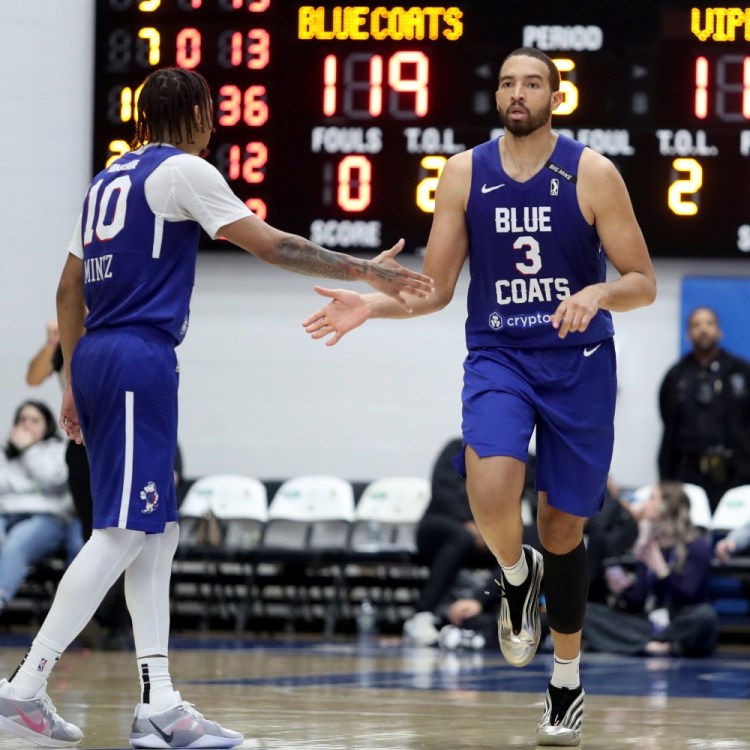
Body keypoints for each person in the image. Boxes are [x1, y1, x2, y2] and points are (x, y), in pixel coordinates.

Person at [0, 66, 433, 750]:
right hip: (140, 355)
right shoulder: (183, 173)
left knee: (158, 529)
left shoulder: (107, 179)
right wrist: (364, 270)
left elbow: (65, 292)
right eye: (211, 115)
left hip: (100, 356)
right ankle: (24, 687)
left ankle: (158, 704)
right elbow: (272, 244)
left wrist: (72, 381)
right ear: (200, 115)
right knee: (119, 531)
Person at [303, 46, 656, 746]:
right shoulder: (464, 172)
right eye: (507, 83)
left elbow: (641, 280)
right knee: (490, 489)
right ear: (497, 96)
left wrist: (597, 290)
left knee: (562, 527)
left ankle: (566, 679)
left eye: (532, 83)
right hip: (499, 354)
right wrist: (371, 304)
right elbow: (434, 290)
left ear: (556, 96)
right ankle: (514, 573)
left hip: (579, 361)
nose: (517, 92)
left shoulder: (592, 172)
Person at [583, 482, 718, 657]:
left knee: (705, 617)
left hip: (680, 618)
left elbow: (688, 595)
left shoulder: (697, 545)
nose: (645, 503)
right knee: (587, 612)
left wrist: (661, 570)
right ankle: (658, 643)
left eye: (652, 498)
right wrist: (622, 590)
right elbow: (639, 599)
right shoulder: (650, 544)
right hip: (651, 621)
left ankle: (642, 642)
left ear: (666, 506)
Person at [658, 306, 750, 513]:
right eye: (696, 325)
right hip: (687, 473)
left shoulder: (741, 372)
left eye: (709, 323)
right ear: (688, 334)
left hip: (736, 473)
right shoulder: (676, 376)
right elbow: (667, 419)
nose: (703, 329)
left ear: (719, 331)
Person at [0, 401, 82, 616]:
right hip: (5, 513)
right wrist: (32, 484)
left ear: (47, 425)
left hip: (47, 518)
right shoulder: (5, 453)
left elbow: (54, 481)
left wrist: (28, 450)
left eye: (34, 420)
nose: (26, 425)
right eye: (22, 419)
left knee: (16, 543)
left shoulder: (58, 450)